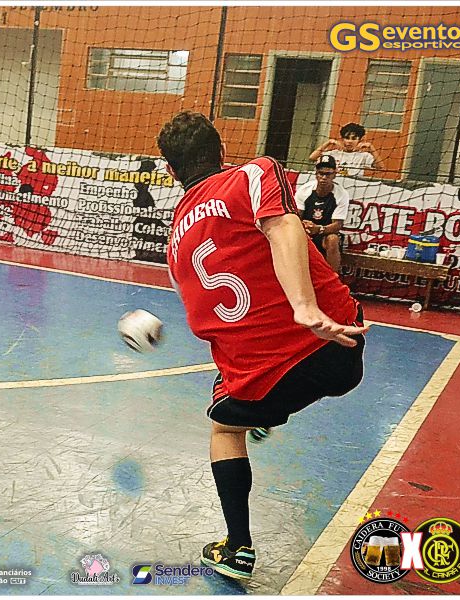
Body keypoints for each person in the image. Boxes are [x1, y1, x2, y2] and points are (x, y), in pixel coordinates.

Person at [157, 112, 368, 580]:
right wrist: (306, 308)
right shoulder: (253, 173)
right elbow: (282, 224)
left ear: (171, 172)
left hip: (265, 377)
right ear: (223, 153)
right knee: (247, 399)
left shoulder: (175, 244)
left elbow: (206, 321)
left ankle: (237, 548)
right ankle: (262, 413)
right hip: (339, 342)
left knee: (224, 426)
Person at [294, 154, 350, 272]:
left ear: (334, 174)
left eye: (328, 174)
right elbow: (295, 217)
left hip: (325, 233)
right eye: (321, 173)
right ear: (316, 174)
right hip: (305, 230)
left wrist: (319, 229)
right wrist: (304, 226)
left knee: (333, 239)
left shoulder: (341, 194)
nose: (324, 177)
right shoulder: (304, 190)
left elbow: (338, 225)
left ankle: (333, 278)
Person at [309, 122, 384, 177]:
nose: (350, 141)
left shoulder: (364, 155)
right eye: (347, 138)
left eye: (354, 139)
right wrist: (329, 142)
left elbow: (380, 167)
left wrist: (371, 147)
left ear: (360, 140)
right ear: (342, 139)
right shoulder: (334, 153)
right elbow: (312, 157)